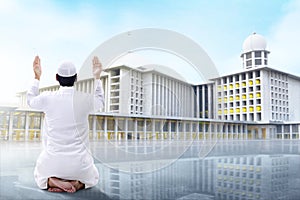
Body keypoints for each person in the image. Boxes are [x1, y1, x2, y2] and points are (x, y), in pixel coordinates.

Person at [27, 55, 104, 193]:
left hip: (52, 163)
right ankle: (78, 183)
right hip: (80, 165)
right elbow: (100, 101)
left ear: (57, 77)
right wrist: (97, 76)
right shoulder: (84, 99)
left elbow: (30, 100)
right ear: (76, 78)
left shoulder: (47, 98)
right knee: (94, 177)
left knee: (39, 176)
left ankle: (51, 180)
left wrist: (37, 76)